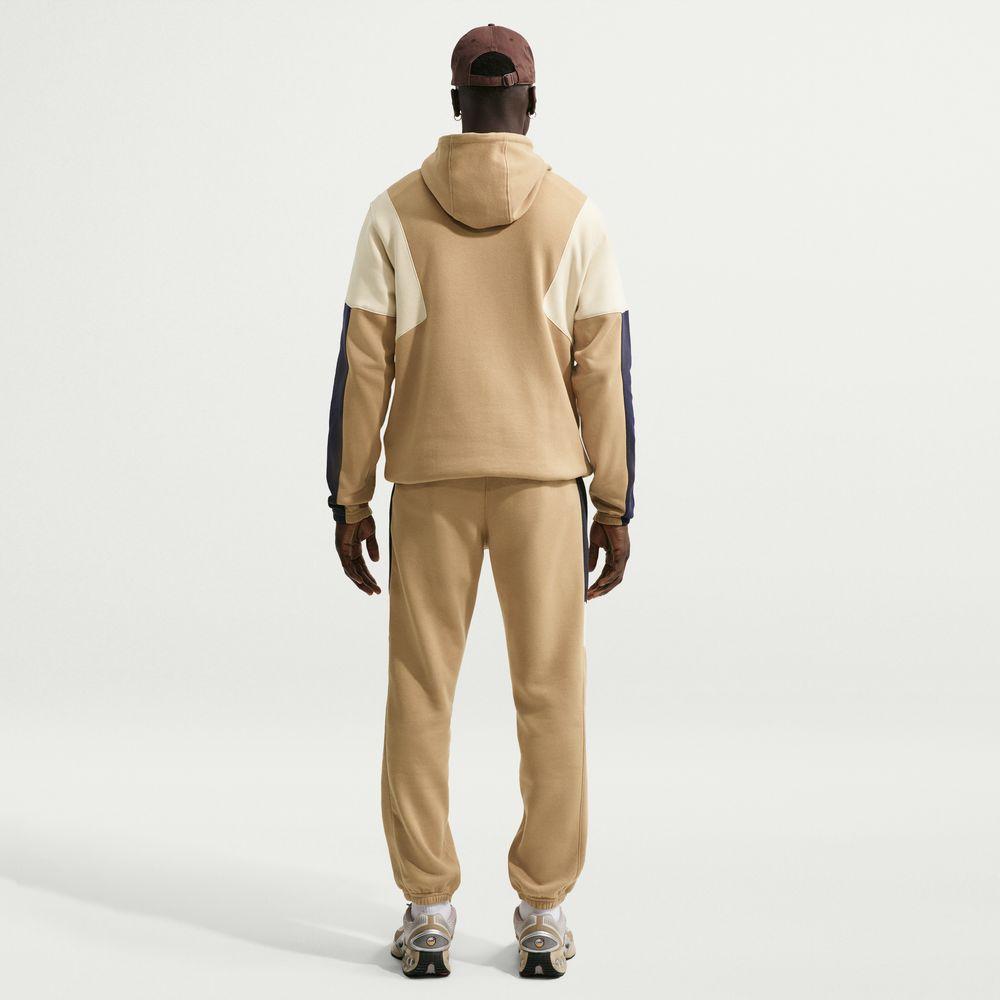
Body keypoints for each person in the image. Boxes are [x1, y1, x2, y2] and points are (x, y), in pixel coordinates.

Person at [327, 23, 635, 979]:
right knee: (551, 693)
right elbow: (603, 374)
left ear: (456, 102)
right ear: (530, 102)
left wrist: (348, 498)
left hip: (429, 478)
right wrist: (614, 505)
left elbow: (363, 366)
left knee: (422, 690)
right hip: (544, 485)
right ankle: (543, 912)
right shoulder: (577, 216)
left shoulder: (391, 212)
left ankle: (427, 911)